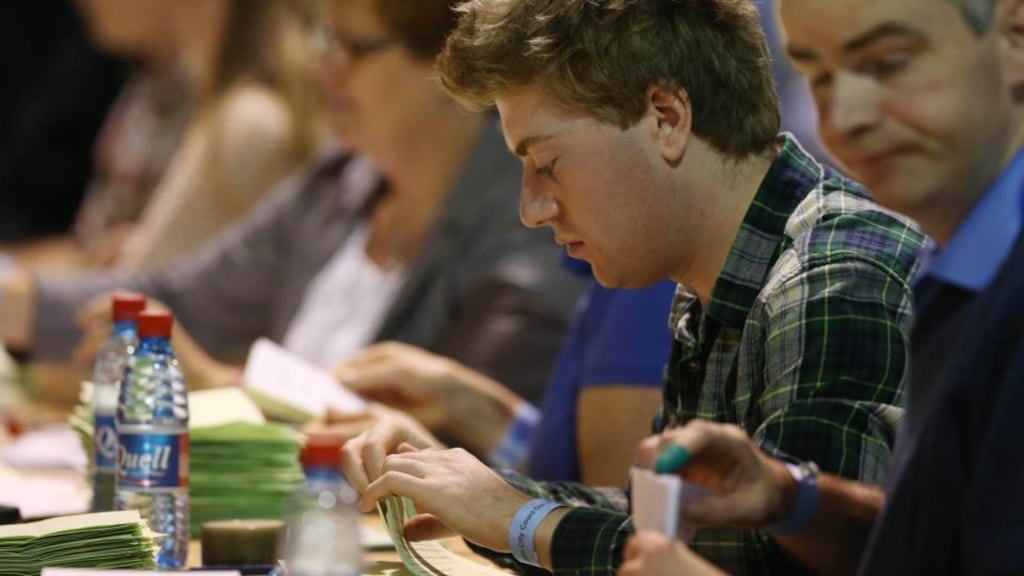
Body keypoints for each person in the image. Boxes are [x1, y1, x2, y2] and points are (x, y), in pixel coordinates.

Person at [341, 0, 925, 574]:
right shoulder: (715, 273)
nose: (531, 208)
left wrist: (518, 519)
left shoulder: (831, 275)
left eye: (546, 162)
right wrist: (466, 491)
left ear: (666, 118)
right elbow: (670, 525)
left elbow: (773, 560)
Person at [0, 0, 584, 407]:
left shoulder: (527, 217)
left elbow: (454, 440)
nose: (323, 65)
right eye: (323, 39)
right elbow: (184, 298)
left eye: (353, 46)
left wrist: (219, 385)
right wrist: (16, 302)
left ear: (446, 66)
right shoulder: (338, 183)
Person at [620, 0, 1024, 574]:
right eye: (820, 75)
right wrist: (792, 498)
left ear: (1015, 36)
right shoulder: (961, 265)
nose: (845, 119)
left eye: (889, 62)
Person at [333, 256, 674, 484]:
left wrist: (474, 491)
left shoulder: (647, 287)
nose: (529, 209)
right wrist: (468, 407)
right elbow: (568, 477)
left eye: (547, 162)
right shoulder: (625, 275)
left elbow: (613, 521)